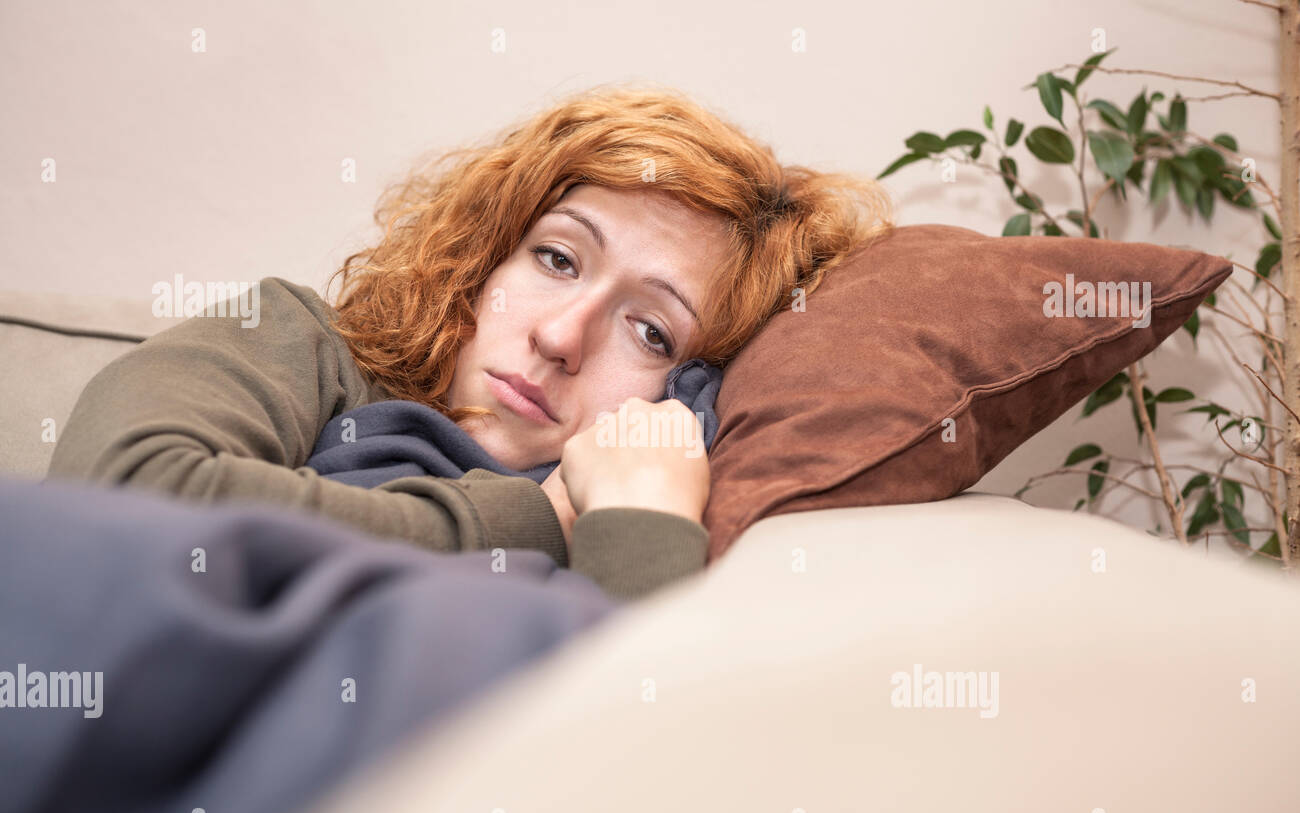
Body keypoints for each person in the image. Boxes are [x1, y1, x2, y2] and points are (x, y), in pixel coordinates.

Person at [45, 84, 894, 600]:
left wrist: (640, 512)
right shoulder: (292, 335)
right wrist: (533, 519)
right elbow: (123, 504)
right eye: (556, 257)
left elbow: (627, 758)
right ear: (488, 254)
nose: (562, 336)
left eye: (649, 330)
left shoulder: (644, 499)